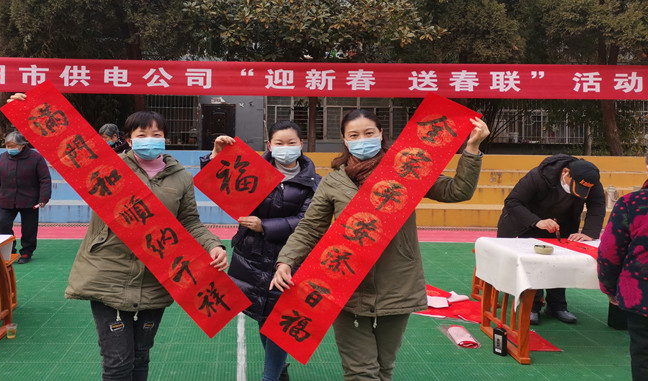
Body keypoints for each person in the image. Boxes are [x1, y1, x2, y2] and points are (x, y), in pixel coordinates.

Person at [270, 109, 488, 381]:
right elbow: (311, 227)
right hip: (346, 287)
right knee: (361, 372)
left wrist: (472, 149)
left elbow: (457, 191)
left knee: (384, 369)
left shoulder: (406, 171)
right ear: (344, 140)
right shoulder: (334, 181)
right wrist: (286, 260)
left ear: (381, 134)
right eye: (354, 135)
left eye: (369, 133)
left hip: (397, 285)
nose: (362, 140)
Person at [64, 110, 228, 381]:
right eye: (142, 135)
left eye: (156, 134)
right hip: (109, 274)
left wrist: (213, 245)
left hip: (157, 275)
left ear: (165, 139)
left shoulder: (181, 177)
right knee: (117, 362)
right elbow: (63, 143)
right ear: (129, 140)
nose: (149, 140)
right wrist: (29, 104)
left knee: (141, 355)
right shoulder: (109, 168)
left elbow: (189, 221)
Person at [201, 121, 321, 381]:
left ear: (301, 144)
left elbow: (307, 221)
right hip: (251, 258)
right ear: (269, 145)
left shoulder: (314, 183)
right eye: (279, 143)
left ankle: (271, 376)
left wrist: (264, 226)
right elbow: (221, 185)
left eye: (291, 143)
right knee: (262, 316)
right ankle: (279, 370)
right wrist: (216, 157)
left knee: (278, 321)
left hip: (289, 259)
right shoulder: (251, 170)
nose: (285, 148)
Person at [496, 154, 605, 325]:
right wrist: (537, 222)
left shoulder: (590, 180)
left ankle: (557, 306)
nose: (579, 192)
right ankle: (532, 306)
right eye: (575, 186)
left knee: (560, 263)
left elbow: (597, 205)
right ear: (565, 172)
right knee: (534, 262)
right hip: (528, 222)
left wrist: (589, 232)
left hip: (563, 224)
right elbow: (512, 202)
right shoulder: (538, 176)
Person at [597, 152, 648, 381]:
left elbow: (610, 252)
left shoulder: (633, 203)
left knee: (644, 358)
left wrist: (610, 288)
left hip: (641, 297)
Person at [0, 131, 52, 264]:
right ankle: (9, 250)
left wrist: (44, 198)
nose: (10, 149)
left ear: (22, 145)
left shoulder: (36, 158)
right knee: (2, 224)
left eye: (13, 146)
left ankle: (26, 252)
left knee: (29, 228)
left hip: (29, 200)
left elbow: (45, 179)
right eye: (8, 146)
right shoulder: (2, 157)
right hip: (6, 199)